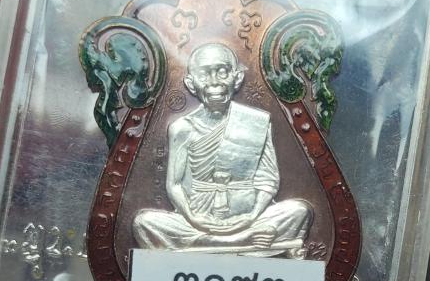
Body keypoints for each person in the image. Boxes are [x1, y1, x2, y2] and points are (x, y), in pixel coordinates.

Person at [133, 43, 313, 256]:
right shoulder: (182, 128)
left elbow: (268, 180)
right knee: (144, 223)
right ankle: (240, 242)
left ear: (237, 78)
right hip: (197, 220)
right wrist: (193, 219)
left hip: (250, 218)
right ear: (191, 83)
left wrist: (252, 216)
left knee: (299, 211)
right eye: (204, 74)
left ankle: (212, 246)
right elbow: (175, 185)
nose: (214, 81)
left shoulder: (256, 122)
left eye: (222, 72)